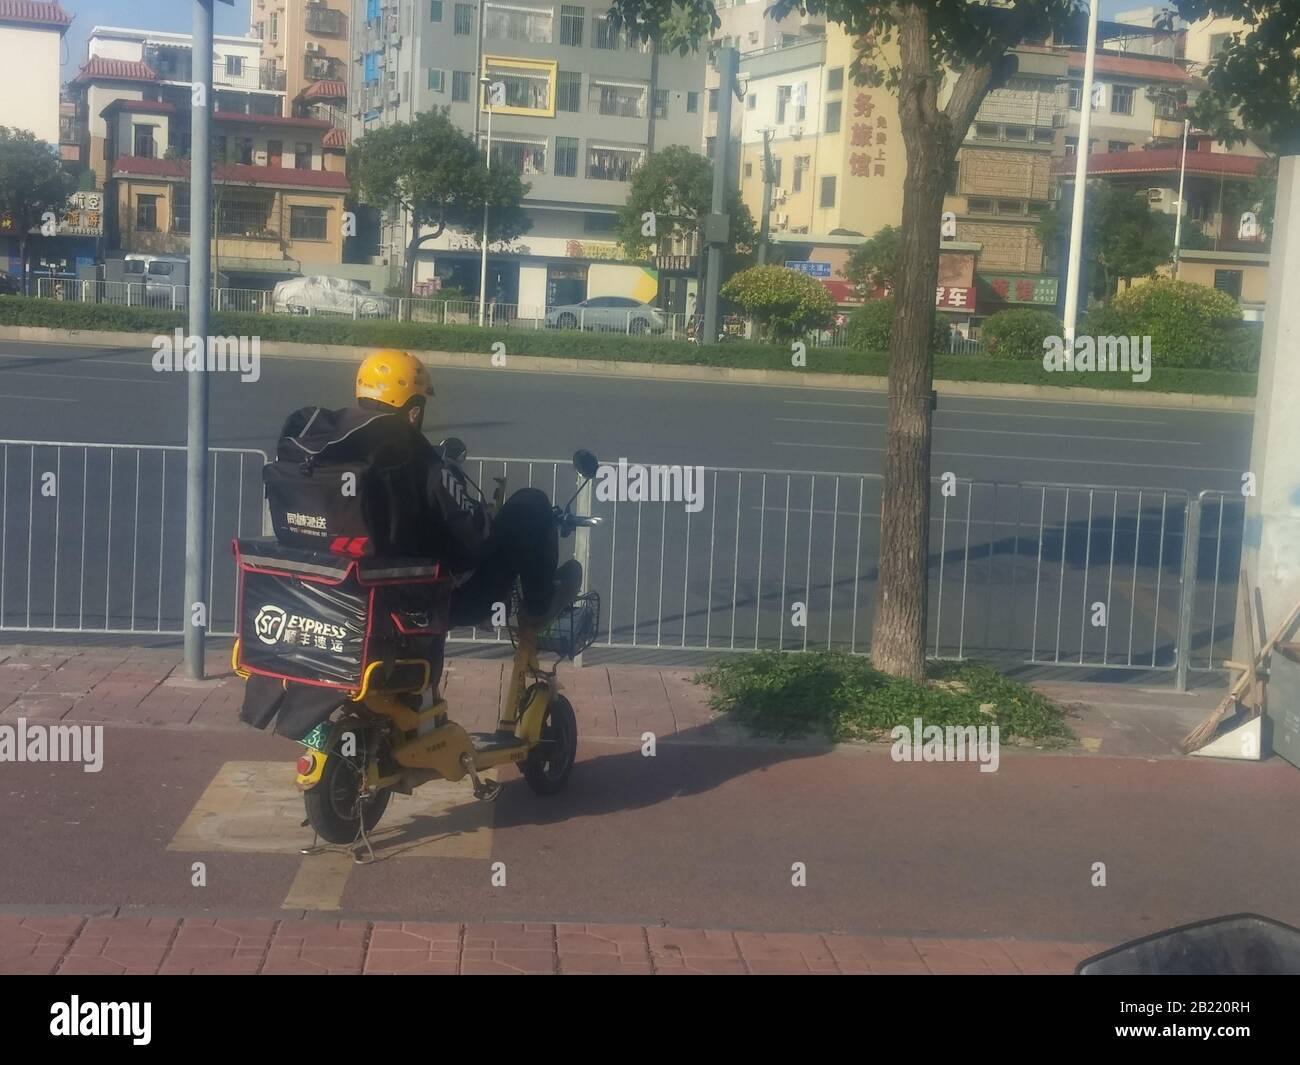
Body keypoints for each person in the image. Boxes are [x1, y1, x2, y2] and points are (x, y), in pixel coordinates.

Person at [352, 349, 580, 631]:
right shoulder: (419, 460)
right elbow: (475, 539)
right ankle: (539, 608)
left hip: (351, 598)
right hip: (431, 602)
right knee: (531, 504)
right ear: (413, 412)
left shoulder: (334, 452)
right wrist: (482, 515)